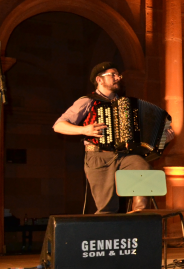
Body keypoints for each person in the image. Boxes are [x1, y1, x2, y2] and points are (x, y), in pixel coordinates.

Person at [53, 62, 174, 213]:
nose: (118, 78)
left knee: (143, 168)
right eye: (113, 75)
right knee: (107, 208)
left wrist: (162, 139)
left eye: (118, 75)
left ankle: (139, 215)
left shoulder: (126, 104)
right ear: (99, 80)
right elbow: (58, 126)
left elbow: (141, 139)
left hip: (124, 155)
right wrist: (84, 129)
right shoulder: (87, 101)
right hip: (98, 156)